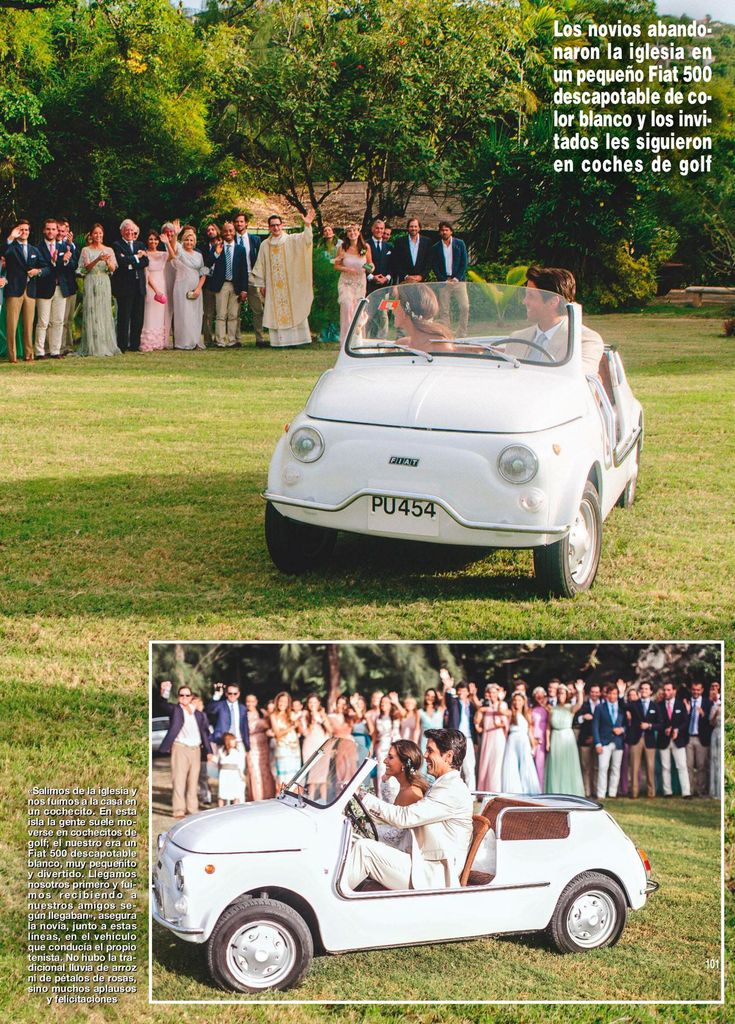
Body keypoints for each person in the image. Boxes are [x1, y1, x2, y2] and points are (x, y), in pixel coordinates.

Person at [344, 729, 473, 891]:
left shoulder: (452, 790)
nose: (425, 755)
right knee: (353, 841)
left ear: (448, 756)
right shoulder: (443, 784)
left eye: (430, 750)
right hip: (422, 861)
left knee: (365, 850)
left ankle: (330, 899)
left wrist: (363, 797)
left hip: (434, 875)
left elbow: (405, 817)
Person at [510, 266, 604, 375]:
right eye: (526, 295)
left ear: (553, 302)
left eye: (531, 296)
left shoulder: (585, 341)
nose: (524, 301)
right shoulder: (516, 338)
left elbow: (576, 379)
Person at [250, 209, 315, 348]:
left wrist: (308, 225)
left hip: (290, 285)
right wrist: (261, 284)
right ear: (269, 227)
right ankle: (281, 342)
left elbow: (306, 240)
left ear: (282, 225)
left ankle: (298, 341)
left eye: (278, 225)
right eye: (272, 225)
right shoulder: (264, 245)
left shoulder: (291, 240)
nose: (276, 228)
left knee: (294, 308)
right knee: (276, 312)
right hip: (274, 288)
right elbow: (260, 264)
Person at [158, 685, 213, 818]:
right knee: (179, 780)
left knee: (193, 781)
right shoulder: (175, 710)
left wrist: (209, 750)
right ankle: (178, 810)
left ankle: (192, 809)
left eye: (187, 695)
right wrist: (165, 692)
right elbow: (162, 705)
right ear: (178, 697)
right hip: (180, 748)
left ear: (191, 697)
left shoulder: (198, 714)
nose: (184, 698)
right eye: (181, 695)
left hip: (196, 750)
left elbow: (204, 733)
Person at [3, 220, 45, 362]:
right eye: (21, 230)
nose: (24, 233)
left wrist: (38, 271)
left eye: (26, 230)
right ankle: (12, 356)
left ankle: (29, 354)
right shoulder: (11, 247)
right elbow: (4, 254)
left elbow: (46, 268)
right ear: (17, 231)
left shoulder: (34, 250)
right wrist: (10, 237)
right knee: (12, 325)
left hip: (30, 291)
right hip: (14, 290)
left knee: (28, 325)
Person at [375, 740, 429, 850]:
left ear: (404, 764)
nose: (385, 761)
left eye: (390, 757)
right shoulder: (403, 787)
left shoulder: (412, 794)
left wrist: (368, 828)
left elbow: (395, 838)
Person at [78, 225, 120, 357]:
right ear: (91, 235)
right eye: (95, 233)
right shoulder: (86, 250)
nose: (98, 236)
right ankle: (92, 345)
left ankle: (105, 344)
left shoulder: (109, 250)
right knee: (92, 311)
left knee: (104, 311)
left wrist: (107, 262)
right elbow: (86, 268)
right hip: (91, 281)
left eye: (100, 233)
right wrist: (97, 259)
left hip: (104, 281)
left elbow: (113, 269)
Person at [166, 224, 209, 350]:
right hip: (181, 286)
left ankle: (195, 341)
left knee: (195, 314)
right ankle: (182, 342)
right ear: (183, 241)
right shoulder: (180, 251)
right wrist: (176, 234)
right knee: (183, 314)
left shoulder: (199, 255)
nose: (189, 242)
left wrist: (198, 289)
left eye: (191, 240)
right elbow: (173, 248)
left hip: (195, 287)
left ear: (194, 242)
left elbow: (204, 273)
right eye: (186, 240)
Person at [34, 218, 70, 360]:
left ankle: (55, 350)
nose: (51, 231)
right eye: (48, 229)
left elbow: (70, 266)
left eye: (53, 229)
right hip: (44, 288)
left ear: (57, 231)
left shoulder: (63, 247)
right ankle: (39, 352)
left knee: (58, 320)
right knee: (43, 322)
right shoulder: (38, 248)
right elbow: (44, 266)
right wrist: (55, 262)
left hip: (61, 288)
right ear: (44, 230)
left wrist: (65, 261)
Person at [208, 220, 248, 348]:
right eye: (225, 231)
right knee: (220, 314)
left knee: (233, 315)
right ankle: (220, 340)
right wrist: (216, 253)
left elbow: (243, 270)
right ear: (222, 233)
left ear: (234, 231)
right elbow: (208, 263)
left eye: (231, 230)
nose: (228, 233)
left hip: (235, 285)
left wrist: (244, 289)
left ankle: (232, 340)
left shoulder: (240, 250)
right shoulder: (217, 247)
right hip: (222, 285)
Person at [111, 218, 149, 352]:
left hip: (139, 285)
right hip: (124, 287)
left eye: (131, 230)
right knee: (124, 317)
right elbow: (120, 261)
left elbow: (146, 262)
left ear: (135, 231)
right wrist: (136, 257)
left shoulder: (140, 244)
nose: (129, 232)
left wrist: (130, 260)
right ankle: (122, 345)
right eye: (126, 230)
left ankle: (134, 344)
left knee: (138, 317)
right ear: (121, 231)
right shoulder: (117, 244)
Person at [334, 223, 371, 346]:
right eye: (349, 231)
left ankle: (356, 340)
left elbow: (370, 264)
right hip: (346, 282)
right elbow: (336, 265)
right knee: (346, 305)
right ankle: (345, 341)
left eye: (354, 231)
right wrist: (347, 269)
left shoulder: (365, 247)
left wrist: (367, 268)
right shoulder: (342, 248)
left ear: (358, 232)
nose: (352, 233)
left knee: (357, 310)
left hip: (360, 282)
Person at [545, 681, 585, 796]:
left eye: (562, 693)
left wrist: (579, 691)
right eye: (559, 693)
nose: (560, 695)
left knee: (568, 765)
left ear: (566, 695)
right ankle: (556, 792)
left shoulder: (570, 708)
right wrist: (548, 742)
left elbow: (580, 703)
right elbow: (548, 726)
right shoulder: (552, 709)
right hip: (555, 738)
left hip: (567, 738)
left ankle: (570, 792)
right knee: (556, 766)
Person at [431, 221, 469, 338]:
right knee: (444, 310)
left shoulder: (460, 244)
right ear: (439, 232)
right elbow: (435, 266)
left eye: (447, 230)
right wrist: (443, 279)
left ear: (451, 231)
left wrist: (457, 278)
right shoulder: (436, 247)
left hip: (459, 281)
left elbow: (464, 263)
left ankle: (462, 332)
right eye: (442, 230)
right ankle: (447, 334)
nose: (444, 232)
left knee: (465, 306)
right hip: (444, 282)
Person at [233, 211, 264, 347]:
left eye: (241, 221)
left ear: (246, 223)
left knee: (258, 309)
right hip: (237, 278)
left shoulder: (255, 239)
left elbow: (261, 259)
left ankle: (260, 338)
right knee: (235, 310)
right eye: (237, 221)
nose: (239, 224)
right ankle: (237, 339)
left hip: (252, 275)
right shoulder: (230, 238)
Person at [392, 283, 455, 350]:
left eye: (396, 301)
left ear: (404, 309)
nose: (393, 308)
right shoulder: (400, 345)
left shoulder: (440, 346)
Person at [501, 693, 541, 794]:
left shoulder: (527, 714)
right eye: (515, 700)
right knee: (512, 764)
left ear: (523, 702)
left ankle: (528, 789)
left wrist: (533, 746)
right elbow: (500, 710)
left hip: (524, 740)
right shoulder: (511, 713)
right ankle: (514, 791)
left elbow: (530, 732)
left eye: (519, 700)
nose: (517, 702)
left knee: (526, 763)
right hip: (513, 740)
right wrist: (500, 699)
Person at [656, 681, 691, 797]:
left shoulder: (680, 704)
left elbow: (686, 722)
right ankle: (667, 792)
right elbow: (657, 722)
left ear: (674, 691)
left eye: (668, 690)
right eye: (665, 690)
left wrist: (677, 729)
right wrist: (665, 729)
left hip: (678, 740)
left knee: (682, 766)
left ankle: (686, 792)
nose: (666, 692)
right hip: (664, 740)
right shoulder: (659, 705)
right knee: (665, 767)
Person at [626, 682, 659, 799]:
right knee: (634, 767)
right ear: (640, 691)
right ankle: (634, 793)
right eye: (642, 688)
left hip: (649, 740)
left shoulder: (655, 706)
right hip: (636, 739)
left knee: (650, 767)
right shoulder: (634, 704)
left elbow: (660, 724)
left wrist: (649, 725)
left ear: (651, 691)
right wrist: (621, 692)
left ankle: (651, 793)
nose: (644, 690)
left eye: (646, 689)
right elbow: (622, 705)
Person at [593, 683, 626, 798]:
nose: (613, 696)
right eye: (610, 693)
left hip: (618, 742)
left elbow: (627, 725)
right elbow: (595, 726)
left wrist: (622, 730)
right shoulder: (600, 708)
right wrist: (597, 743)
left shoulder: (622, 708)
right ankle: (601, 793)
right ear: (606, 694)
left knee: (616, 768)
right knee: (603, 767)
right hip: (604, 742)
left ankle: (612, 793)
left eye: (615, 693)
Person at [444, 678, 478, 789]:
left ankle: (471, 795)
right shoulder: (454, 702)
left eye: (463, 690)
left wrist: (475, 741)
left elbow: (474, 724)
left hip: (468, 738)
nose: (461, 693)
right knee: (455, 768)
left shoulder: (472, 706)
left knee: (469, 768)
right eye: (459, 690)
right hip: (455, 739)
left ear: (468, 692)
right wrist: (448, 686)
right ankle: (454, 792)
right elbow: (448, 698)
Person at [299, 694, 334, 801]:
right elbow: (304, 733)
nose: (312, 705)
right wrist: (312, 723)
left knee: (323, 778)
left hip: (323, 746)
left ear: (319, 703)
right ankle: (310, 800)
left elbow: (331, 731)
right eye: (310, 702)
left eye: (315, 702)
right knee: (312, 778)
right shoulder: (304, 715)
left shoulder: (323, 715)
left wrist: (321, 719)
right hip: (309, 747)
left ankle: (323, 801)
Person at [475, 684, 508, 793]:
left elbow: (503, 722)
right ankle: (484, 790)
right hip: (487, 737)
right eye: (490, 692)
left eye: (494, 692)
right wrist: (479, 726)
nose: (491, 695)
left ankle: (495, 791)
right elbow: (477, 721)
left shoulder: (502, 704)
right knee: (485, 763)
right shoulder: (484, 706)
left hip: (497, 737)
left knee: (496, 764)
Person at [140, 230, 169, 352]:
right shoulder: (144, 254)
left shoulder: (162, 254)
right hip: (150, 285)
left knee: (159, 314)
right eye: (151, 239)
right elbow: (146, 273)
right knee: (149, 313)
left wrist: (167, 243)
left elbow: (173, 256)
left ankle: (158, 342)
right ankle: (147, 342)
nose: (153, 241)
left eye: (155, 239)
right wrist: (155, 289)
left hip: (161, 283)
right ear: (147, 240)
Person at [244, 693, 276, 800]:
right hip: (252, 745)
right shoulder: (244, 715)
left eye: (252, 701)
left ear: (256, 702)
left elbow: (270, 725)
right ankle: (257, 797)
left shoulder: (262, 713)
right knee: (255, 771)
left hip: (263, 745)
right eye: (248, 701)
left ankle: (269, 796)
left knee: (265, 770)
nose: (250, 704)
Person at [683, 680, 712, 798]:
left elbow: (711, 722)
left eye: (698, 690)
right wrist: (687, 712)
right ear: (691, 690)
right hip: (688, 738)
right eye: (694, 689)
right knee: (688, 765)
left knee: (701, 765)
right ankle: (688, 790)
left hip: (701, 738)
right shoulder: (686, 702)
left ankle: (701, 790)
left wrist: (703, 714)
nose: (695, 692)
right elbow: (682, 720)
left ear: (702, 690)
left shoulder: (707, 703)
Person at [56, 220, 80, 353]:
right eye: (58, 230)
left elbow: (75, 265)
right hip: (60, 287)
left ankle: (68, 346)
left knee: (69, 320)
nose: (60, 233)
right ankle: (59, 346)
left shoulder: (70, 246)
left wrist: (71, 247)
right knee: (61, 319)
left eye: (63, 231)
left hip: (71, 286)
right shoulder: (54, 246)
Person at [269, 692, 302, 786]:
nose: (282, 703)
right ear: (277, 702)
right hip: (282, 749)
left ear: (288, 703)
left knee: (295, 779)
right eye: (280, 701)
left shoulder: (291, 714)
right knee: (283, 780)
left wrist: (298, 722)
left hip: (294, 749)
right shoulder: (273, 716)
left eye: (285, 701)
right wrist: (291, 727)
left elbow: (300, 730)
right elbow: (278, 734)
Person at [372, 694, 402, 795]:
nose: (382, 704)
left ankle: (395, 796)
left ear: (390, 704)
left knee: (395, 770)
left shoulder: (396, 715)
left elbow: (405, 714)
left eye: (385, 702)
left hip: (395, 747)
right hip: (382, 747)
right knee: (381, 771)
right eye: (382, 702)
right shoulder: (378, 718)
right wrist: (371, 749)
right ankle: (381, 796)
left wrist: (396, 702)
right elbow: (375, 735)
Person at [209, 682, 251, 754]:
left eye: (235, 693)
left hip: (239, 742)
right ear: (226, 694)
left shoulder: (242, 708)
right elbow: (210, 710)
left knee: (240, 765)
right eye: (230, 693)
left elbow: (245, 728)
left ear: (238, 694)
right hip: (223, 742)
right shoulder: (220, 705)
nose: (232, 695)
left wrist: (247, 745)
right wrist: (217, 695)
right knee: (225, 765)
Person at [575, 682, 601, 797]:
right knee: (586, 767)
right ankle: (587, 791)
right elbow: (576, 718)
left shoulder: (603, 705)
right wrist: (583, 717)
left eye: (597, 692)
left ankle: (596, 790)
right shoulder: (583, 705)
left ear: (600, 693)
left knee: (597, 767)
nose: (594, 694)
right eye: (592, 692)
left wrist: (595, 738)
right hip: (584, 740)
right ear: (589, 693)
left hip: (598, 741)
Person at [198, 222, 220, 346]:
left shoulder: (224, 245)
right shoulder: (203, 248)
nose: (210, 231)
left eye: (213, 229)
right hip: (207, 283)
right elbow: (203, 267)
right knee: (208, 313)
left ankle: (219, 338)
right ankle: (207, 339)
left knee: (221, 313)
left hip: (221, 282)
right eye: (208, 230)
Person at [391, 217, 432, 284]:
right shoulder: (400, 242)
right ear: (407, 228)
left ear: (419, 228)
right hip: (404, 281)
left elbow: (429, 261)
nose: (413, 228)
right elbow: (396, 261)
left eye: (415, 226)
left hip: (421, 281)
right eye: (411, 226)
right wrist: (406, 276)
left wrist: (421, 276)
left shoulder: (427, 242)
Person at [216, 732, 246, 806]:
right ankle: (220, 809)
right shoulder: (221, 751)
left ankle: (235, 808)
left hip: (234, 774)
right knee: (222, 794)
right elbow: (218, 761)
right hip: (225, 774)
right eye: (232, 740)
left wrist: (241, 774)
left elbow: (240, 763)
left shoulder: (237, 751)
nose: (234, 742)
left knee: (235, 794)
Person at [529, 686, 549, 790]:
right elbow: (530, 725)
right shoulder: (531, 709)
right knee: (532, 764)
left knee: (541, 765)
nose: (539, 697)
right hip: (533, 738)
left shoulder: (548, 709)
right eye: (537, 695)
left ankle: (541, 788)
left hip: (543, 738)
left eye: (541, 695)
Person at [418, 687, 444, 754]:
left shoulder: (441, 710)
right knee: (424, 762)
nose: (430, 698)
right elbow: (417, 729)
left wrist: (445, 687)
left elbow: (444, 699)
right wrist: (415, 743)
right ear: (425, 696)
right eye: (428, 695)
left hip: (438, 742)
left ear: (436, 698)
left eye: (433, 696)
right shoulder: (419, 712)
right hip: (424, 742)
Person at [708, 682, 721, 799]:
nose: (714, 689)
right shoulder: (714, 706)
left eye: (716, 687)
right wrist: (716, 712)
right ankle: (715, 790)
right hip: (716, 733)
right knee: (715, 760)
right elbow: (711, 722)